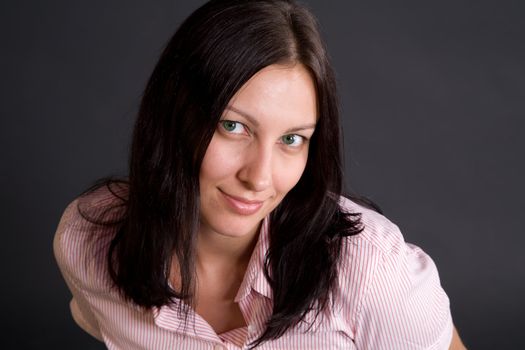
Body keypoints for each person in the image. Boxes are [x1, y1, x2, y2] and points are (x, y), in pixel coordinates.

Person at [54, 0, 466, 349]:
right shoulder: (88, 241)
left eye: (292, 139)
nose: (260, 177)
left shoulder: (372, 270)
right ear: (173, 117)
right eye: (233, 126)